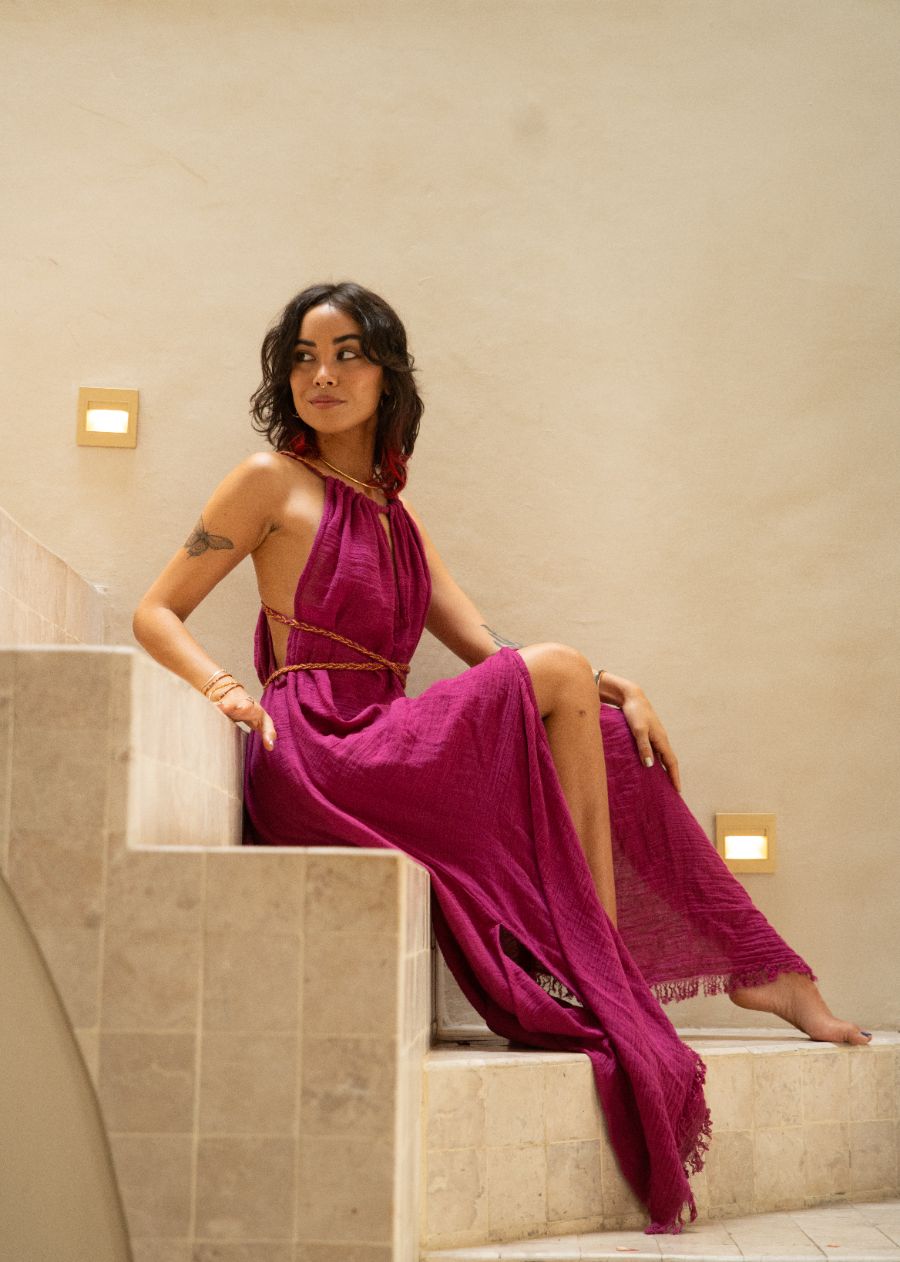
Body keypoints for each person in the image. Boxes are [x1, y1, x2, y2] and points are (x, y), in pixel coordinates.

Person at [133, 281, 871, 1235]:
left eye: (348, 352)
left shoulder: (396, 513)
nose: (322, 375)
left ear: (387, 370)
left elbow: (490, 648)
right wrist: (227, 692)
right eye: (303, 357)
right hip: (320, 745)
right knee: (561, 679)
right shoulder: (267, 480)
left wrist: (611, 684)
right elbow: (158, 609)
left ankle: (758, 968)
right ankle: (600, 956)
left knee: (609, 733)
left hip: (385, 738)